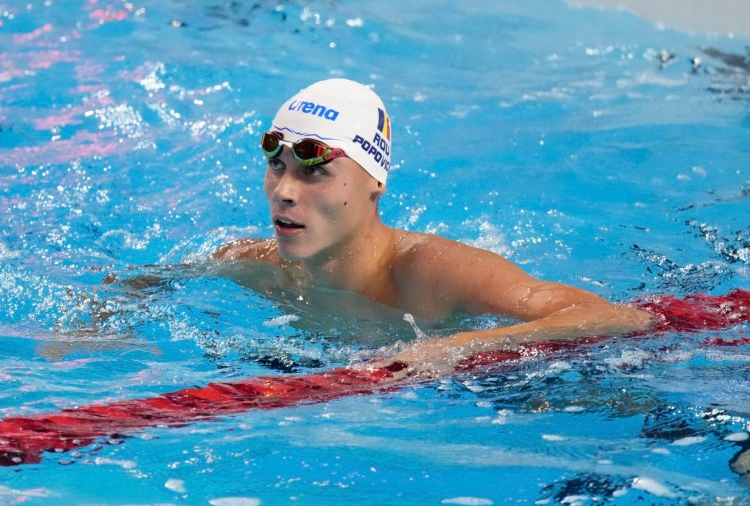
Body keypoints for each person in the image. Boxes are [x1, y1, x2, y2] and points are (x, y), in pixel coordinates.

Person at [213, 78, 654, 378]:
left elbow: (613, 316)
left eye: (313, 172)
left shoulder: (434, 270)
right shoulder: (252, 263)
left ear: (376, 182)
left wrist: (457, 347)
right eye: (276, 166)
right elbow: (150, 288)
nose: (284, 191)